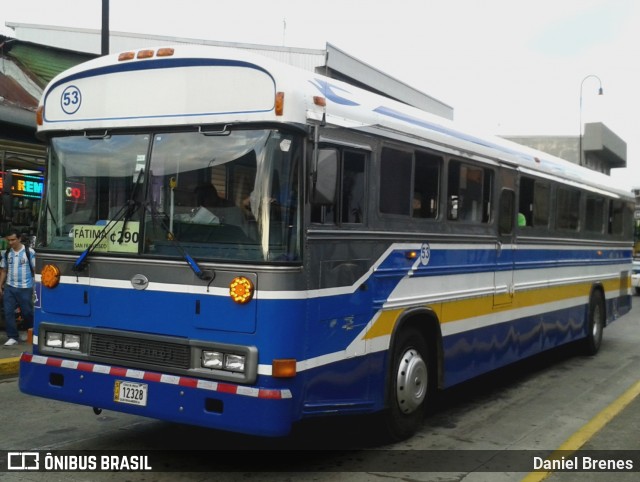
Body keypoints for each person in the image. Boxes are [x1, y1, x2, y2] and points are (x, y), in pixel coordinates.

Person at [0, 230, 35, 346]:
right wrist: (0, 285)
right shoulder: (7, 253)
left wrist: (37, 286)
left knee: (27, 312)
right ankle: (12, 336)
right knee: (8, 312)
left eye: (13, 240)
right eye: (8, 240)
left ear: (19, 239)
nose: (10, 242)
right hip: (10, 287)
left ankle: (30, 331)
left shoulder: (29, 252)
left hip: (25, 287)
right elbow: (4, 270)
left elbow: (35, 270)